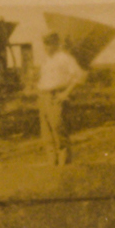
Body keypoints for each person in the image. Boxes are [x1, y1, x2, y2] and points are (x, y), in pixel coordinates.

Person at [34, 32, 85, 166]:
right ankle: (52, 166)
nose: (47, 47)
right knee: (47, 136)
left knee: (59, 133)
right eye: (45, 44)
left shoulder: (64, 58)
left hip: (55, 97)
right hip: (43, 97)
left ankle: (64, 167)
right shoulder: (46, 60)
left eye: (50, 44)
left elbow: (79, 76)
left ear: (56, 44)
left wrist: (66, 93)